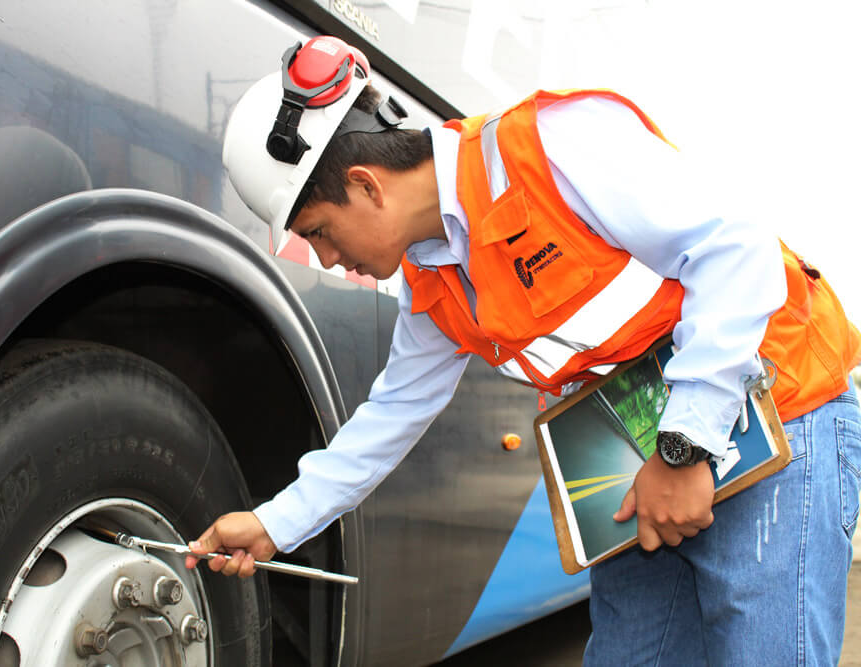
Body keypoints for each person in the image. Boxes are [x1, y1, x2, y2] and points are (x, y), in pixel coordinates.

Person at [188, 35, 861, 664]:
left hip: (779, 407)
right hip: (644, 459)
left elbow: (736, 254)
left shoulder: (552, 147)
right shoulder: (434, 282)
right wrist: (275, 523)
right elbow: (388, 419)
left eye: (320, 231)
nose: (329, 259)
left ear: (365, 185)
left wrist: (683, 446)